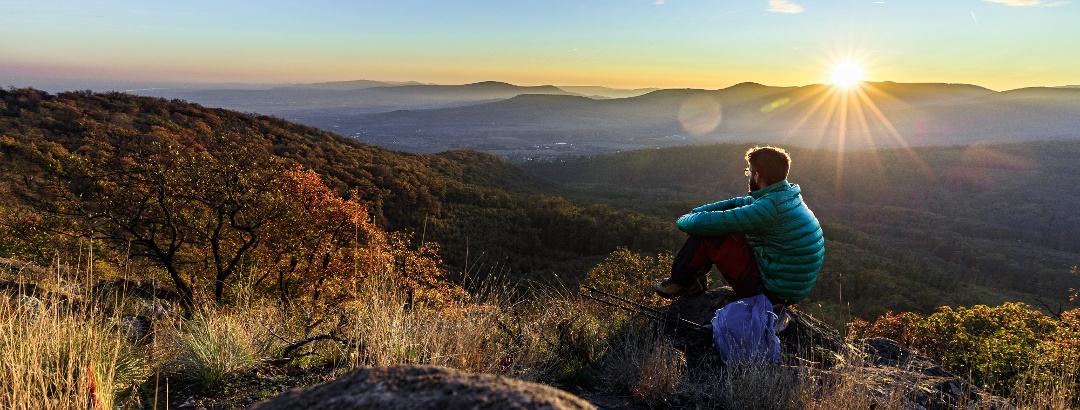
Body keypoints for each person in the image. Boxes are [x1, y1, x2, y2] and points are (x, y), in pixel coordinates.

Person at [653, 146, 824, 308]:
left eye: (748, 172)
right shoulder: (786, 197)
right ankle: (691, 281)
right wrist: (696, 212)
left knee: (709, 232)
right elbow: (737, 203)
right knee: (718, 226)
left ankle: (681, 282)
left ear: (757, 176)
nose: (748, 175)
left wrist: (685, 219)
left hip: (769, 294)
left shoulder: (770, 208)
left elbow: (701, 224)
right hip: (783, 288)